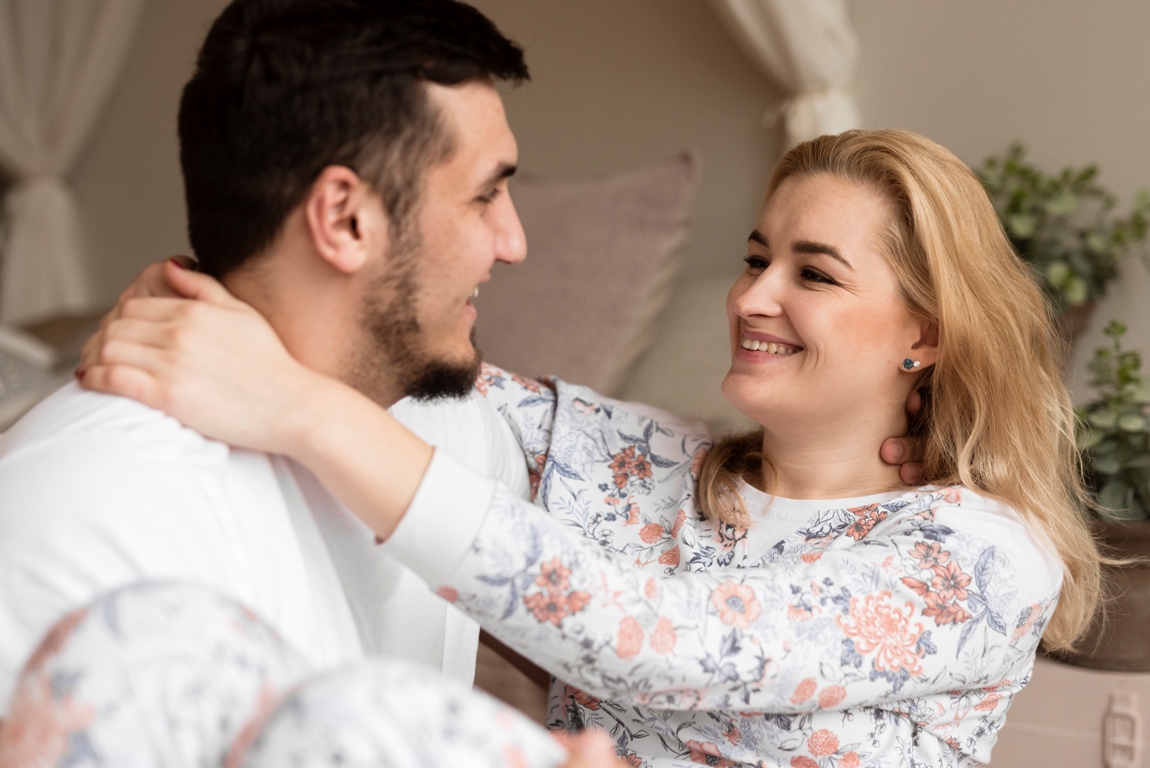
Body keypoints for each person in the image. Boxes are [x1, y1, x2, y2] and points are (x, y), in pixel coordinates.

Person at [79, 129, 1104, 767]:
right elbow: (410, 361)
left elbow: (666, 642)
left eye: (813, 274)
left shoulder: (973, 556)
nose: (750, 297)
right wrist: (212, 307)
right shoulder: (643, 460)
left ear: (924, 334)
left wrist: (298, 409)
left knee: (352, 716)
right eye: (755, 259)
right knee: (164, 650)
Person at [0, 0, 622, 764]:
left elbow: (649, 623)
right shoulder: (94, 512)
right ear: (346, 220)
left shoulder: (452, 430)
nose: (514, 242)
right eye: (486, 194)